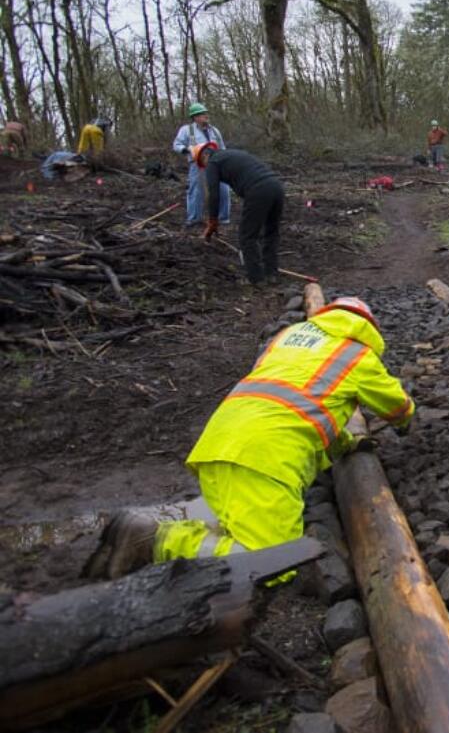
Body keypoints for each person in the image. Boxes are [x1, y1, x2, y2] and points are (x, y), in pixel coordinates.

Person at [84, 296, 415, 579]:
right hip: (265, 458)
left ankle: (151, 528)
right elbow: (397, 407)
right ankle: (152, 539)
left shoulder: (289, 337)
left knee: (235, 526)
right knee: (273, 564)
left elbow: (296, 404)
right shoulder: (358, 355)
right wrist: (406, 422)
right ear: (369, 330)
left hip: (220, 440)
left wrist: (345, 443)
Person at [195, 144, 284, 285]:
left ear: (205, 155)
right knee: (271, 232)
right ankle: (271, 274)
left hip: (258, 190)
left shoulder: (213, 162)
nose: (205, 167)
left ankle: (255, 278)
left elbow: (214, 194)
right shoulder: (232, 153)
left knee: (247, 236)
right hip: (276, 186)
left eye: (202, 163)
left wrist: (212, 220)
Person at [173, 103, 231, 227]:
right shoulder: (187, 130)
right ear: (195, 117)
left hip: (217, 163)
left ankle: (223, 218)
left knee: (224, 189)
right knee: (196, 190)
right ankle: (194, 219)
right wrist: (188, 150)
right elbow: (177, 145)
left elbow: (222, 147)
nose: (206, 116)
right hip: (197, 164)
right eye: (202, 114)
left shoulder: (214, 130)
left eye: (206, 113)